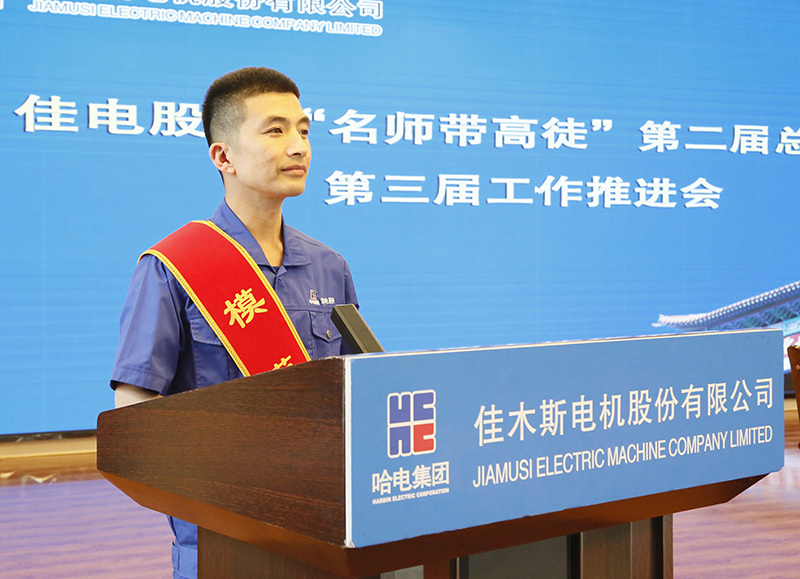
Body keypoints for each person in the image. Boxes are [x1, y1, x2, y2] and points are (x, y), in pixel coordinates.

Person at [110, 67, 358, 579]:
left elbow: (360, 393)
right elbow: (135, 419)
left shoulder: (329, 266)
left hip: (322, 525)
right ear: (223, 157)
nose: (299, 146)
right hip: (223, 533)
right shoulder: (171, 267)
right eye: (275, 130)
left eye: (304, 130)